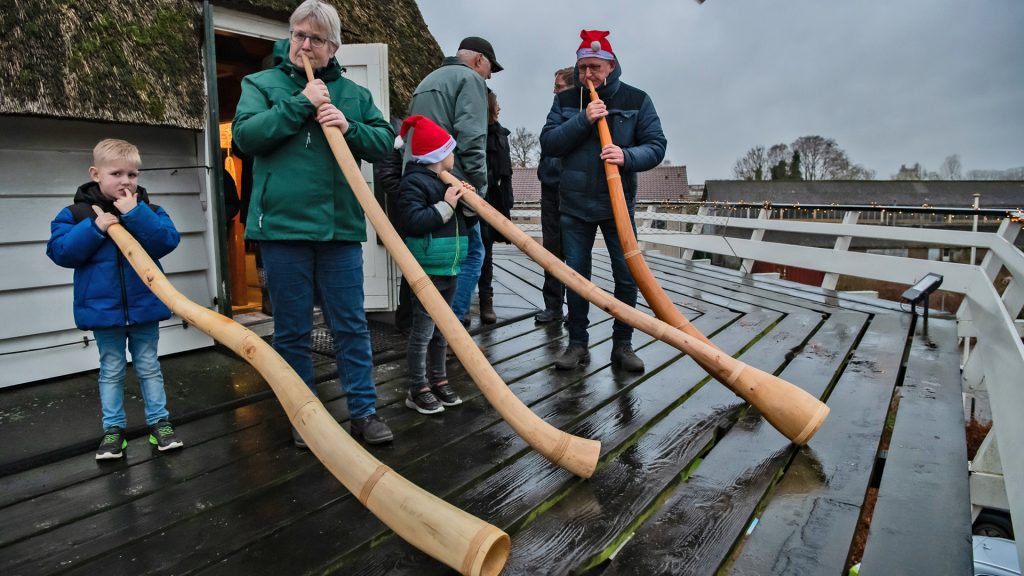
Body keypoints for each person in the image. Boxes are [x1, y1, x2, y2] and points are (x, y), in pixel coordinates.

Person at [232, 0, 396, 446]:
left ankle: (364, 411)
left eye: (315, 39)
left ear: (334, 47)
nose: (304, 45)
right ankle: (305, 417)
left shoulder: (355, 95)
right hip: (281, 230)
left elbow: (384, 143)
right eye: (298, 35)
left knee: (350, 325)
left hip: (339, 228)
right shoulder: (260, 83)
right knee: (293, 330)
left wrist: (349, 126)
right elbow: (246, 137)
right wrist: (300, 104)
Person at [46, 138, 184, 459]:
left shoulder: (148, 210)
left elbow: (166, 241)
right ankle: (113, 430)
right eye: (116, 173)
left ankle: (160, 424)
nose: (126, 181)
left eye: (132, 175)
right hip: (103, 311)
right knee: (111, 369)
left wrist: (134, 214)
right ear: (96, 173)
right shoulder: (75, 213)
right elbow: (61, 252)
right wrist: (95, 228)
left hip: (144, 308)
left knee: (149, 366)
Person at [539, 29, 667, 373]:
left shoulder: (637, 99)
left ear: (610, 65)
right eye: (582, 68)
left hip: (618, 205)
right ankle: (577, 344)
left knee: (626, 276)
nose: (587, 75)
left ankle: (622, 345)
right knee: (577, 276)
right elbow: (549, 143)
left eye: (594, 67)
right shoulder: (567, 101)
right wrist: (584, 119)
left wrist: (627, 155)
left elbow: (656, 145)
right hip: (574, 206)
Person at [405, 36, 503, 327]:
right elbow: (472, 138)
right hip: (454, 185)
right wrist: (478, 191)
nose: (488, 77)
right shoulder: (470, 80)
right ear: (478, 61)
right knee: (473, 254)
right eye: (489, 69)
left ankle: (425, 323)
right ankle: (451, 325)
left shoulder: (426, 82)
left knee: (430, 258)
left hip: (421, 182)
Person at [392, 115, 472, 414]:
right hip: (427, 269)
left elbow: (461, 222)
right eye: (451, 150)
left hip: (450, 267)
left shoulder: (445, 182)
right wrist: (447, 205)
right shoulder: (414, 183)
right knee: (423, 332)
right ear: (438, 156)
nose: (454, 155)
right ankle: (417, 388)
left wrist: (466, 205)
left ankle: (439, 381)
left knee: (443, 330)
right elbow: (413, 222)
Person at [534, 66, 576, 324]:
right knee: (551, 250)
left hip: (572, 192)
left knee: (574, 254)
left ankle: (575, 309)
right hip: (551, 191)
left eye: (559, 86)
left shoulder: (582, 114)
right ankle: (553, 306)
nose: (554, 90)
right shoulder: (555, 113)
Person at [477, 90, 514, 324]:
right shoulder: (476, 133)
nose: (499, 107)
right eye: (496, 104)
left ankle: (486, 300)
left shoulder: (501, 134)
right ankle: (464, 302)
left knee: (486, 250)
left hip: (495, 198)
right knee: (475, 250)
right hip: (477, 194)